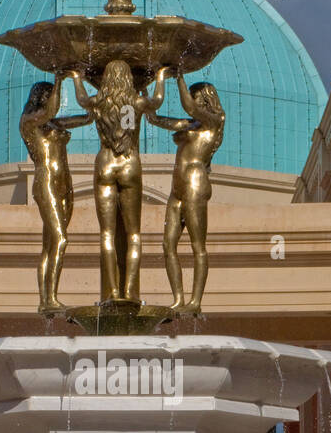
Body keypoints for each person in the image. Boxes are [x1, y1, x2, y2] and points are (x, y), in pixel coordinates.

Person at [69, 62, 167, 303]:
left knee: (107, 234)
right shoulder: (137, 103)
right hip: (129, 162)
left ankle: (111, 292)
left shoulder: (97, 102)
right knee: (133, 234)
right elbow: (157, 100)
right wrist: (161, 76)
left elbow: (81, 99)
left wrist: (75, 77)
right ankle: (131, 292)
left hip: (105, 162)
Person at [147, 68, 225, 314]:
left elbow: (191, 109)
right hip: (177, 187)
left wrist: (178, 76)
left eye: (196, 97)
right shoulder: (191, 124)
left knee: (197, 245)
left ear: (206, 99)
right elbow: (156, 119)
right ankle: (179, 299)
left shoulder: (214, 121)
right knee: (168, 244)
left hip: (195, 182)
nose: (193, 103)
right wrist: (146, 95)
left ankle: (196, 301)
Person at [19, 74, 92, 313]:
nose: (54, 100)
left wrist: (98, 102)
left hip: (64, 183)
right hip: (46, 181)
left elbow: (86, 117)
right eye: (50, 95)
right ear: (41, 96)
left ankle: (48, 297)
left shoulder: (55, 125)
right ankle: (48, 299)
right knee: (61, 239)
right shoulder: (29, 123)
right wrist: (62, 79)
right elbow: (50, 112)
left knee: (50, 243)